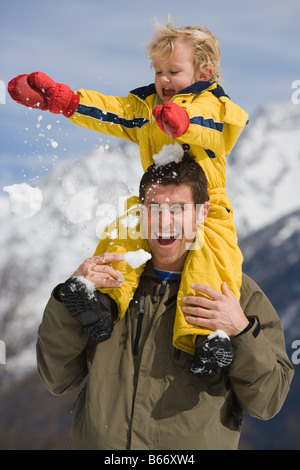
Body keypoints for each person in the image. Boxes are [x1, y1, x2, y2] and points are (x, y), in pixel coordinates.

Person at [9, 18, 249, 372]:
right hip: (154, 203)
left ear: (205, 71)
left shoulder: (211, 105)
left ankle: (206, 338)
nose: (164, 79)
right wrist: (66, 101)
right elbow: (111, 112)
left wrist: (181, 120)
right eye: (158, 71)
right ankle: (103, 305)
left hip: (205, 208)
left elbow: (208, 128)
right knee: (121, 238)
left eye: (174, 70)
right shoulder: (147, 110)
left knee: (212, 261)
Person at [36, 154, 293, 450]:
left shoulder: (236, 293)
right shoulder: (109, 286)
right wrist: (66, 301)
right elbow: (57, 379)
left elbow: (268, 401)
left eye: (177, 209)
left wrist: (241, 331)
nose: (163, 221)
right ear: (140, 212)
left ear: (202, 213)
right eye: (154, 209)